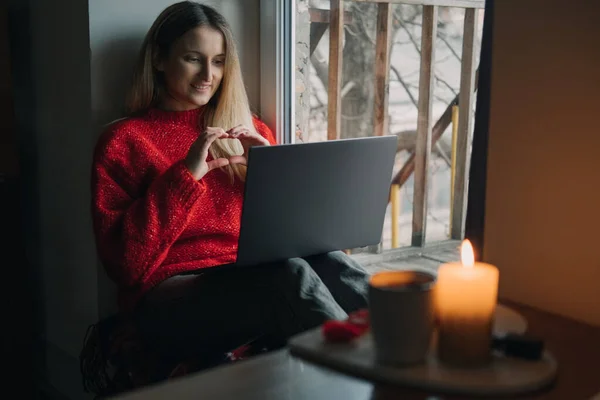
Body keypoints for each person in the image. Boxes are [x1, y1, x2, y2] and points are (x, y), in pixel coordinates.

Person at [91, 1, 369, 365]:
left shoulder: (245, 131)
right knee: (286, 275)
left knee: (332, 260)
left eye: (219, 61)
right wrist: (185, 176)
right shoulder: (125, 141)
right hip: (169, 294)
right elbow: (126, 265)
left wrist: (271, 171)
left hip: (246, 272)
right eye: (193, 58)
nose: (208, 74)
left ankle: (415, 352)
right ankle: (364, 373)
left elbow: (289, 235)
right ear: (159, 59)